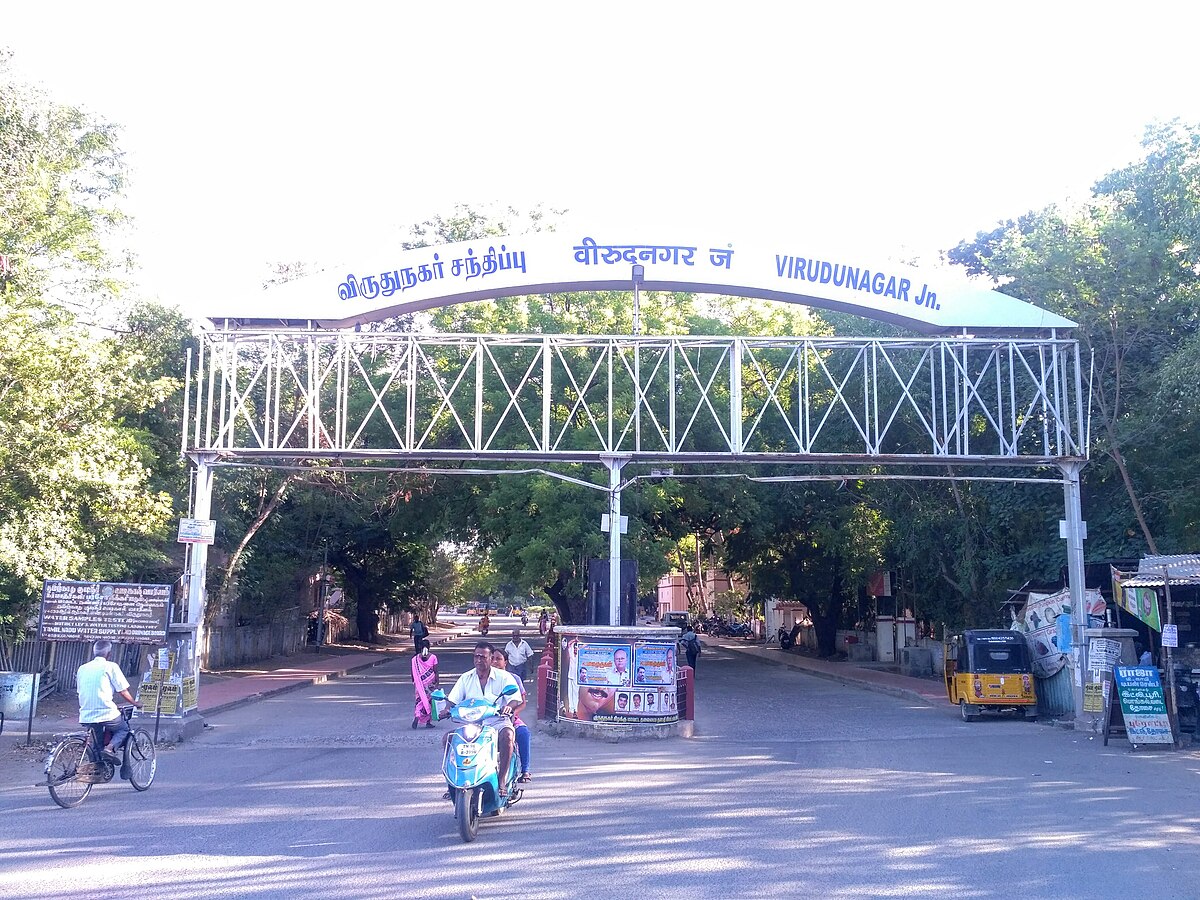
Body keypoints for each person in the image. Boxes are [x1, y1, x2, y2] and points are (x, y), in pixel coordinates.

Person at [439, 641, 521, 798]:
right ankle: (453, 782)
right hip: (471, 724)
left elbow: (515, 698)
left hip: (497, 722)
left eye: (483, 657)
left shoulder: (503, 677)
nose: (478, 660)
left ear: (491, 658)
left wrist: (508, 707)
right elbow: (453, 699)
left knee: (508, 736)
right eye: (476, 656)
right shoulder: (466, 678)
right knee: (448, 739)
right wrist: (446, 709)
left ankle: (502, 779)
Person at [76, 640, 141, 770]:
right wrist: (135, 703)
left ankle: (98, 770)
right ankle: (110, 748)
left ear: (94, 653)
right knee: (123, 728)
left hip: (86, 714)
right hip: (106, 712)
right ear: (109, 654)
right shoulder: (111, 666)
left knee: (96, 744)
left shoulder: (82, 668)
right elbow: (122, 690)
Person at [492, 649, 533, 784]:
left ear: (505, 662)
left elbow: (522, 703)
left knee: (523, 732)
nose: (494, 662)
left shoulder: (514, 679)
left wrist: (512, 714)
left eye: (498, 659)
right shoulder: (482, 677)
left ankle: (525, 770)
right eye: (492, 659)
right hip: (486, 718)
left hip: (509, 717)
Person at [411, 639, 439, 729]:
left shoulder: (415, 659)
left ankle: (417, 716)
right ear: (429, 647)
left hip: (419, 684)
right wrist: (437, 683)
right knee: (430, 702)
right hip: (430, 684)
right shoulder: (433, 657)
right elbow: (435, 671)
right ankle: (428, 722)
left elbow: (412, 672)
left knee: (419, 701)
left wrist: (414, 682)